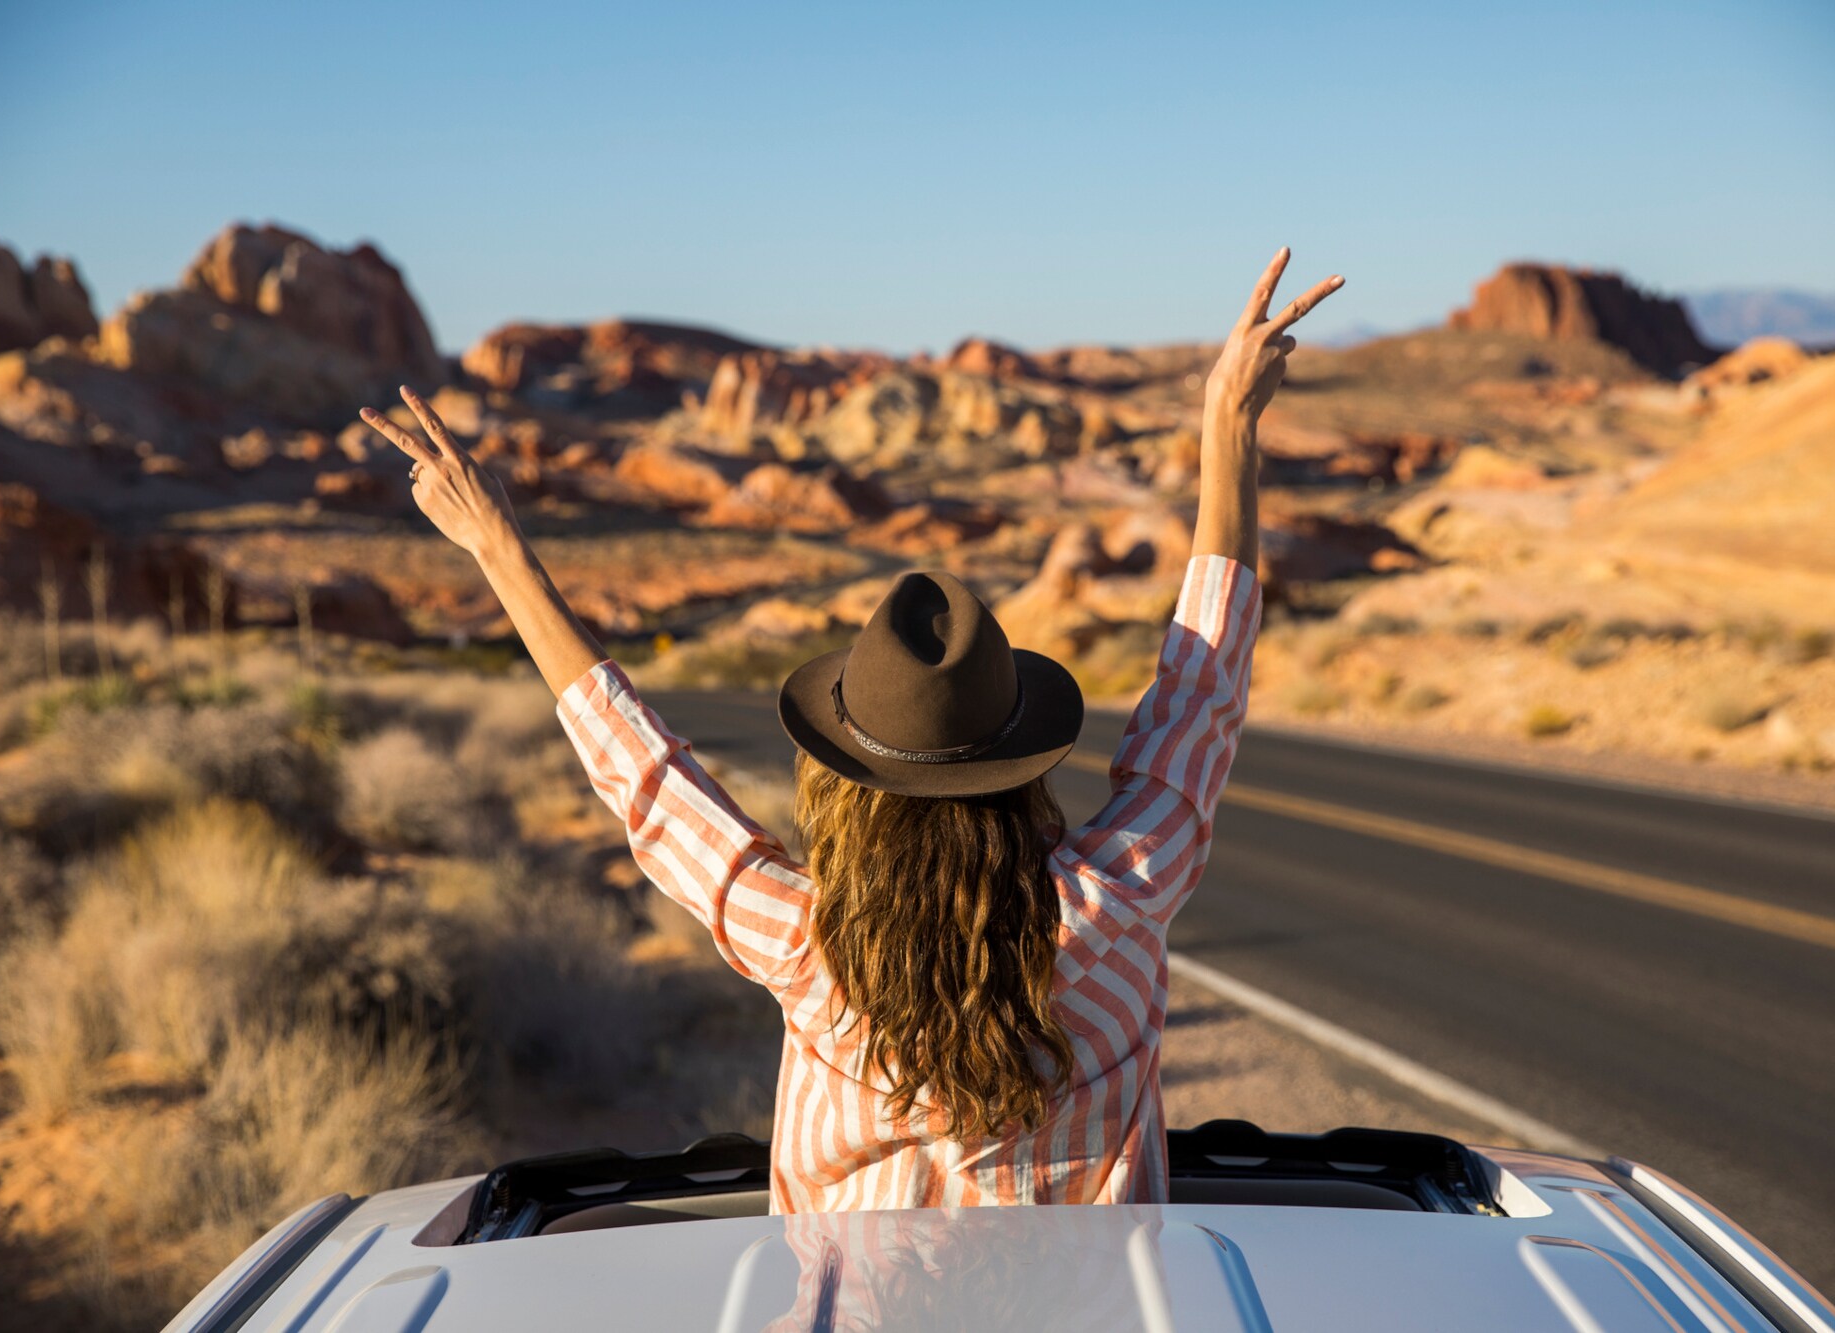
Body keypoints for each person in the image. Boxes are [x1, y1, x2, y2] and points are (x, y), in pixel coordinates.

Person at [359, 251, 1341, 1213]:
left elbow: (644, 773)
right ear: (1019, 764)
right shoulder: (1116, 904)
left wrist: (494, 544)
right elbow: (1197, 691)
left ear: (846, 779)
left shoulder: (805, 944)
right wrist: (1226, 423)